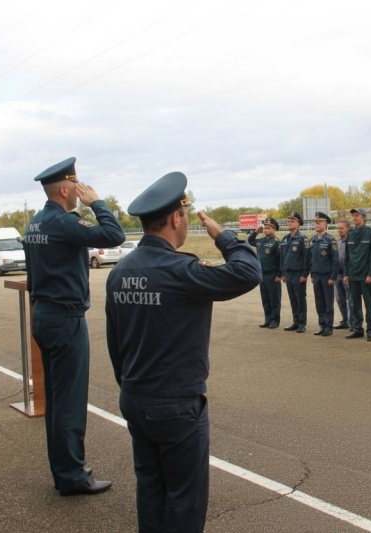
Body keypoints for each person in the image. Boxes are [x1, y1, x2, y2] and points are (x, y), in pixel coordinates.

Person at [106, 171, 260, 531]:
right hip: (175, 404)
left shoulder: (120, 271)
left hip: (135, 396)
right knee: (184, 500)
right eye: (185, 214)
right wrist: (224, 236)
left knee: (151, 488)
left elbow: (115, 342)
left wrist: (131, 386)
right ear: (176, 219)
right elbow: (248, 272)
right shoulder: (181, 270)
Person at [23, 157, 125, 495]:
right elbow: (114, 234)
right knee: (69, 401)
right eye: (76, 185)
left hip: (44, 314)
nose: (80, 191)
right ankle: (71, 476)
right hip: (65, 318)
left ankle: (63, 470)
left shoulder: (36, 223)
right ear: (65, 190)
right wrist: (97, 203)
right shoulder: (62, 222)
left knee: (56, 400)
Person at [344, 208, 371, 341]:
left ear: (363, 217)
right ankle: (358, 328)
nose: (354, 218)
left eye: (357, 215)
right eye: (353, 216)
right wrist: (346, 274)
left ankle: (370, 329)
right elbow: (347, 256)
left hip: (365, 276)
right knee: (355, 304)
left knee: (369, 304)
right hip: (353, 275)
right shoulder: (351, 234)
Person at [248, 217, 282, 328]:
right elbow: (250, 241)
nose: (265, 230)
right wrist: (255, 232)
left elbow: (280, 259)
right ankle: (268, 319)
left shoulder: (276, 242)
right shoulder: (260, 241)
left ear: (274, 229)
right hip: (262, 274)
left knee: (274, 299)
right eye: (265, 228)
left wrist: (279, 274)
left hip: (273, 275)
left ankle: (275, 320)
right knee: (265, 298)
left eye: (268, 228)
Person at [308, 212, 338, 336]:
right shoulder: (313, 240)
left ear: (326, 224)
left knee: (328, 302)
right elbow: (311, 259)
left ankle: (329, 326)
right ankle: (322, 325)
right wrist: (312, 275)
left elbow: (335, 260)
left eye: (320, 221)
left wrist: (333, 277)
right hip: (316, 275)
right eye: (316, 222)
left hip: (327, 276)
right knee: (319, 302)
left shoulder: (331, 240)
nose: (317, 224)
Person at [279, 211, 309, 333]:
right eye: (289, 221)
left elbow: (306, 258)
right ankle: (296, 322)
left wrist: (304, 274)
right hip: (288, 274)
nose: (290, 223)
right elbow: (282, 257)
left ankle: (302, 323)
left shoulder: (302, 239)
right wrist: (283, 273)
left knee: (300, 299)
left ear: (298, 224)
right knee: (292, 299)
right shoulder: (285, 239)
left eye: (293, 221)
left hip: (298, 274)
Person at [334, 220, 353, 330]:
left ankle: (352, 322)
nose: (339, 230)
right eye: (338, 228)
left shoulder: (351, 242)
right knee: (340, 299)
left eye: (341, 228)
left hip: (348, 275)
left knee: (350, 300)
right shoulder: (336, 242)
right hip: (338, 275)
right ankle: (345, 320)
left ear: (348, 229)